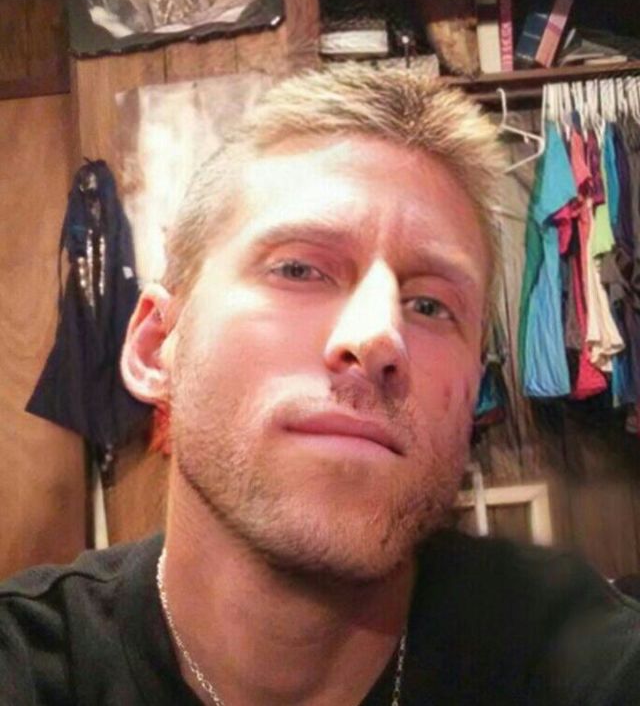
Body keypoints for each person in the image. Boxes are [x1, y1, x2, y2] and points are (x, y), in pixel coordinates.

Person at [1, 63, 639, 705]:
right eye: (299, 269)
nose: (378, 336)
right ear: (155, 346)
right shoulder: (29, 666)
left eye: (429, 306)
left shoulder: (575, 660)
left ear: (474, 388)